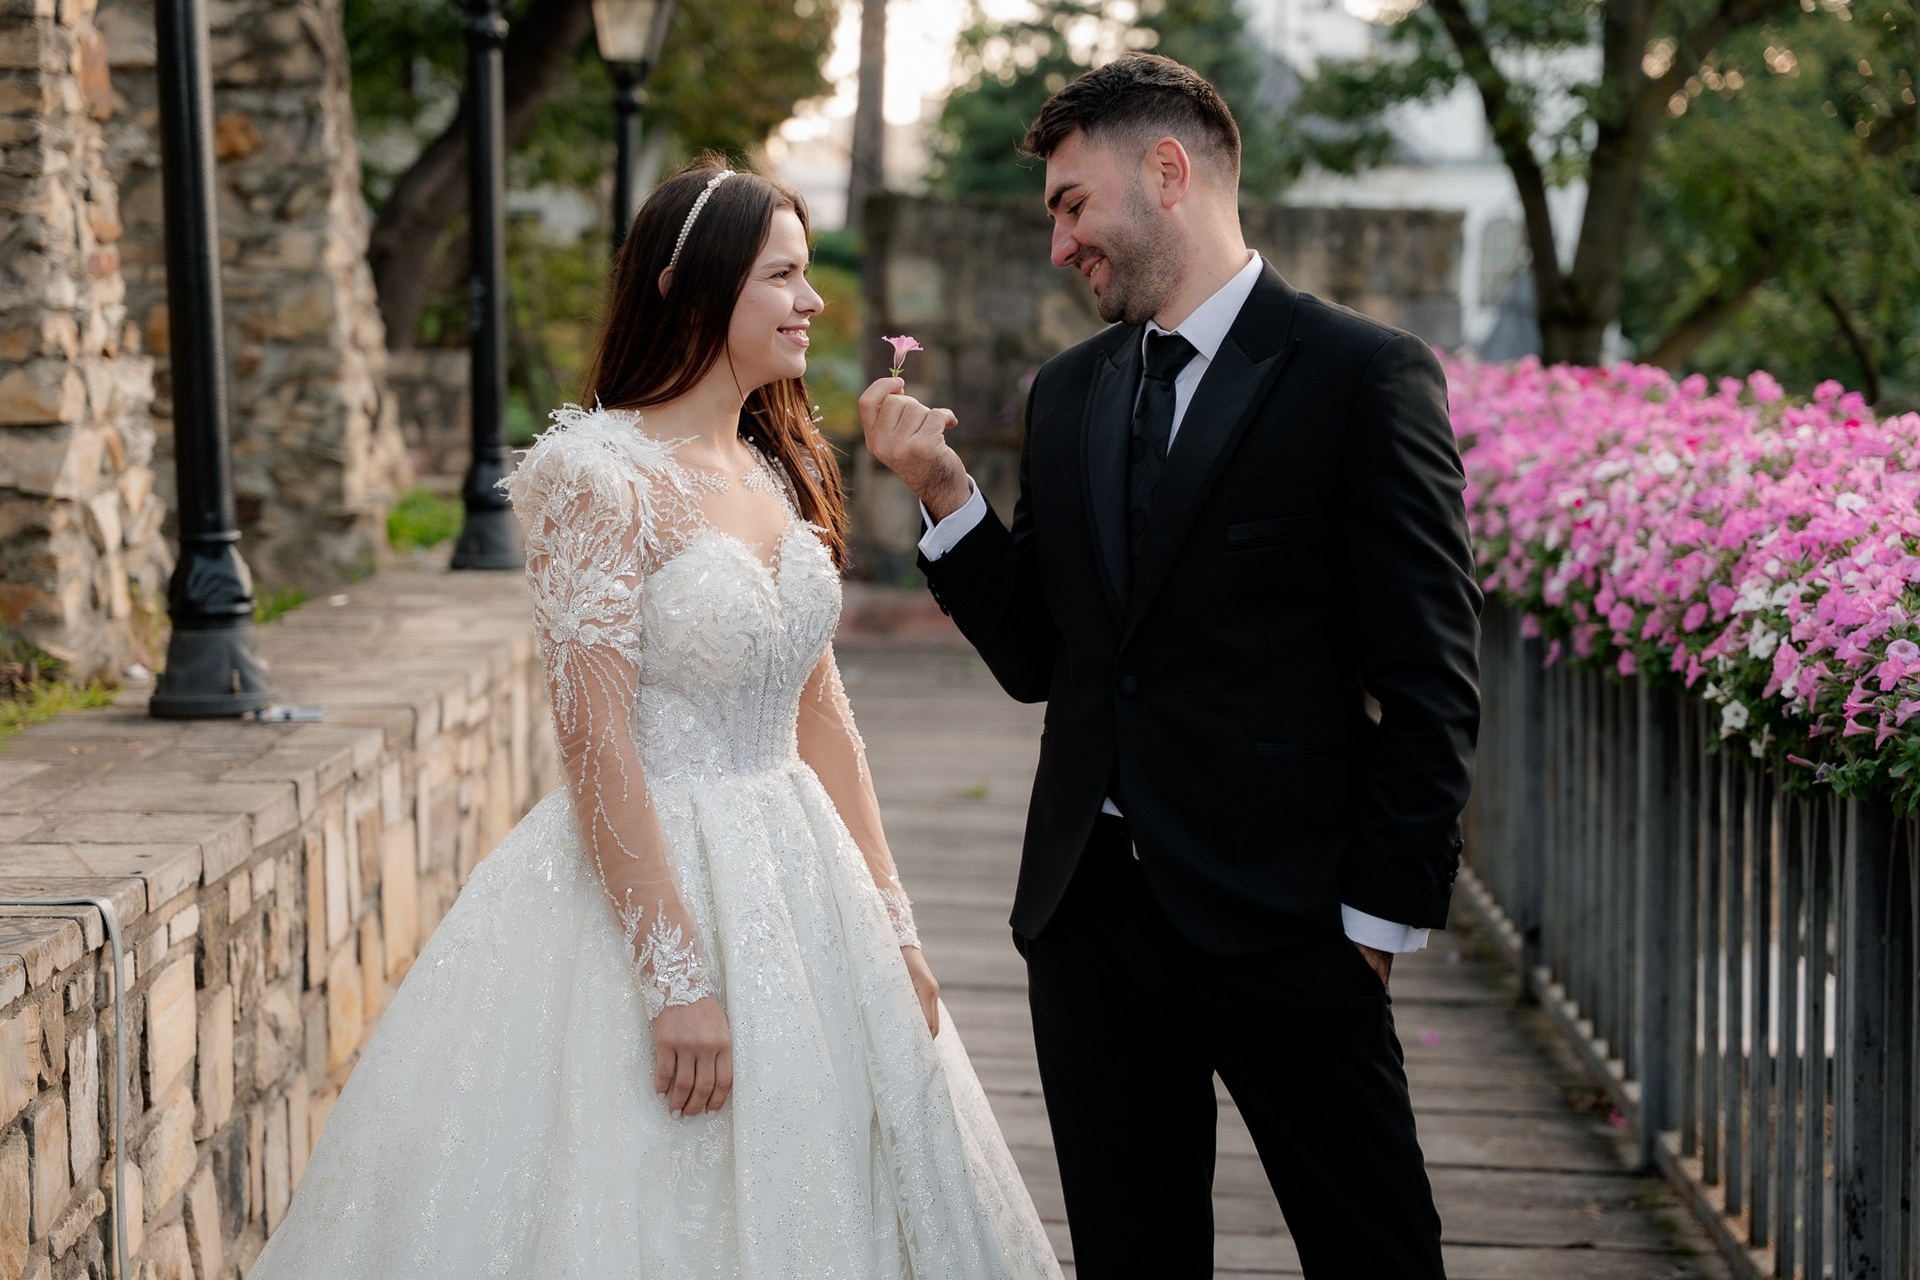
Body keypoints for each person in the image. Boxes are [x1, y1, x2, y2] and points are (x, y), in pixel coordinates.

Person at [250, 159, 1061, 1280]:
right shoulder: (598, 474)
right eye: (782, 275)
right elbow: (595, 736)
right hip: (654, 878)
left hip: (805, 877)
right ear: (689, 287)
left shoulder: (778, 467)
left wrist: (896, 923)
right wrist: (674, 975)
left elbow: (821, 713)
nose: (812, 301)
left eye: (806, 274)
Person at [861, 54, 1481, 1279]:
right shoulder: (1069, 392)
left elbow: (1433, 679)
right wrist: (946, 494)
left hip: (1294, 921)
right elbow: (1040, 656)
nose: (1060, 245)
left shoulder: (1362, 375)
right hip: (1088, 920)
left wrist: (1374, 926)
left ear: (1166, 171)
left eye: (1072, 205)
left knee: (1379, 1257)